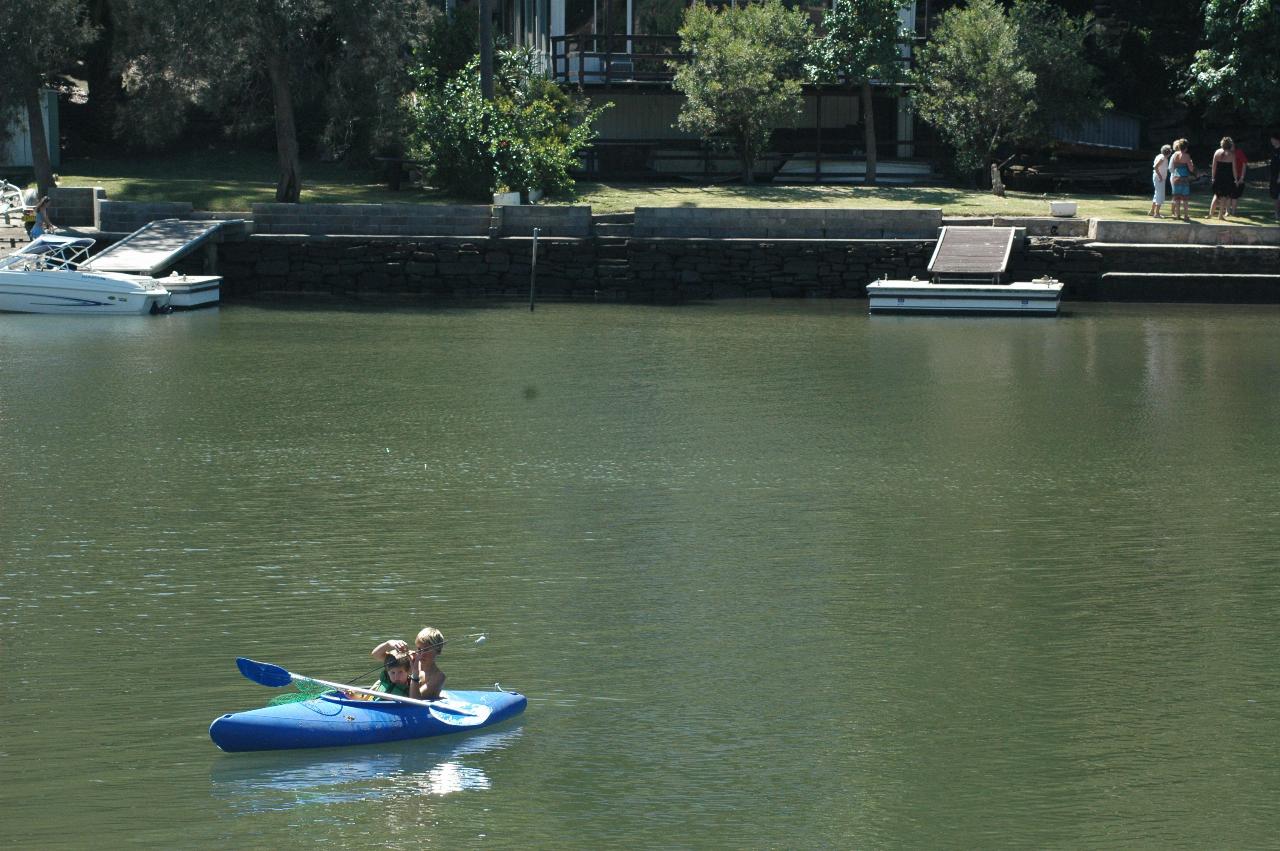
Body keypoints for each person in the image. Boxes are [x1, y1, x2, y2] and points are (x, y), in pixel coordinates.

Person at [372, 627, 447, 700]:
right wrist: (389, 644)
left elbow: (415, 701)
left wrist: (415, 674)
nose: (421, 653)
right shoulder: (411, 657)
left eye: (426, 650)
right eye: (419, 649)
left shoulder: (438, 677)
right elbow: (376, 655)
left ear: (438, 651)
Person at [1169, 139, 1196, 221]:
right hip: (1184, 178)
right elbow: (1191, 169)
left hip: (1176, 177)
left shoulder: (1174, 155)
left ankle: (1177, 215)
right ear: (1186, 148)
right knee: (1185, 199)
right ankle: (1186, 215)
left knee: (1177, 198)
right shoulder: (1187, 156)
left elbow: (1172, 167)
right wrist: (1191, 163)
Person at [1209, 137, 1236, 220]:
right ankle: (1220, 215)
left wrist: (1213, 177)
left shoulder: (1217, 152)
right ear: (1230, 145)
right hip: (1227, 178)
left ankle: (1210, 214)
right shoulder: (1232, 155)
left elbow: (1213, 167)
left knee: (1216, 196)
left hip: (1218, 177)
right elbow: (1234, 169)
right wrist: (1236, 179)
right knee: (1224, 197)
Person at [1150, 144, 1172, 217]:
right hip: (1159, 178)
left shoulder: (1160, 156)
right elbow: (1155, 167)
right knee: (1160, 195)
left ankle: (1152, 211)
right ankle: (1157, 213)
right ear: (1168, 152)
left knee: (1157, 194)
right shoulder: (1162, 158)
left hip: (1158, 177)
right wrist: (1160, 176)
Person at [1228, 140, 1248, 216]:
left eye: (1232, 145)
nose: (1231, 147)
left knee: (1235, 195)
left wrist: (1242, 177)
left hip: (1238, 176)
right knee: (1228, 195)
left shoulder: (1239, 152)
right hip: (1229, 176)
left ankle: (1233, 212)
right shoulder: (1228, 153)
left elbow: (1244, 164)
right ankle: (1228, 212)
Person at [1270, 131, 1280, 222]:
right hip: (1273, 176)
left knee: (1277, 195)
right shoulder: (1273, 150)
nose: (1271, 141)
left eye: (1272, 139)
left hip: (1278, 177)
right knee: (1274, 195)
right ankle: (1276, 213)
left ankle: (1277, 214)